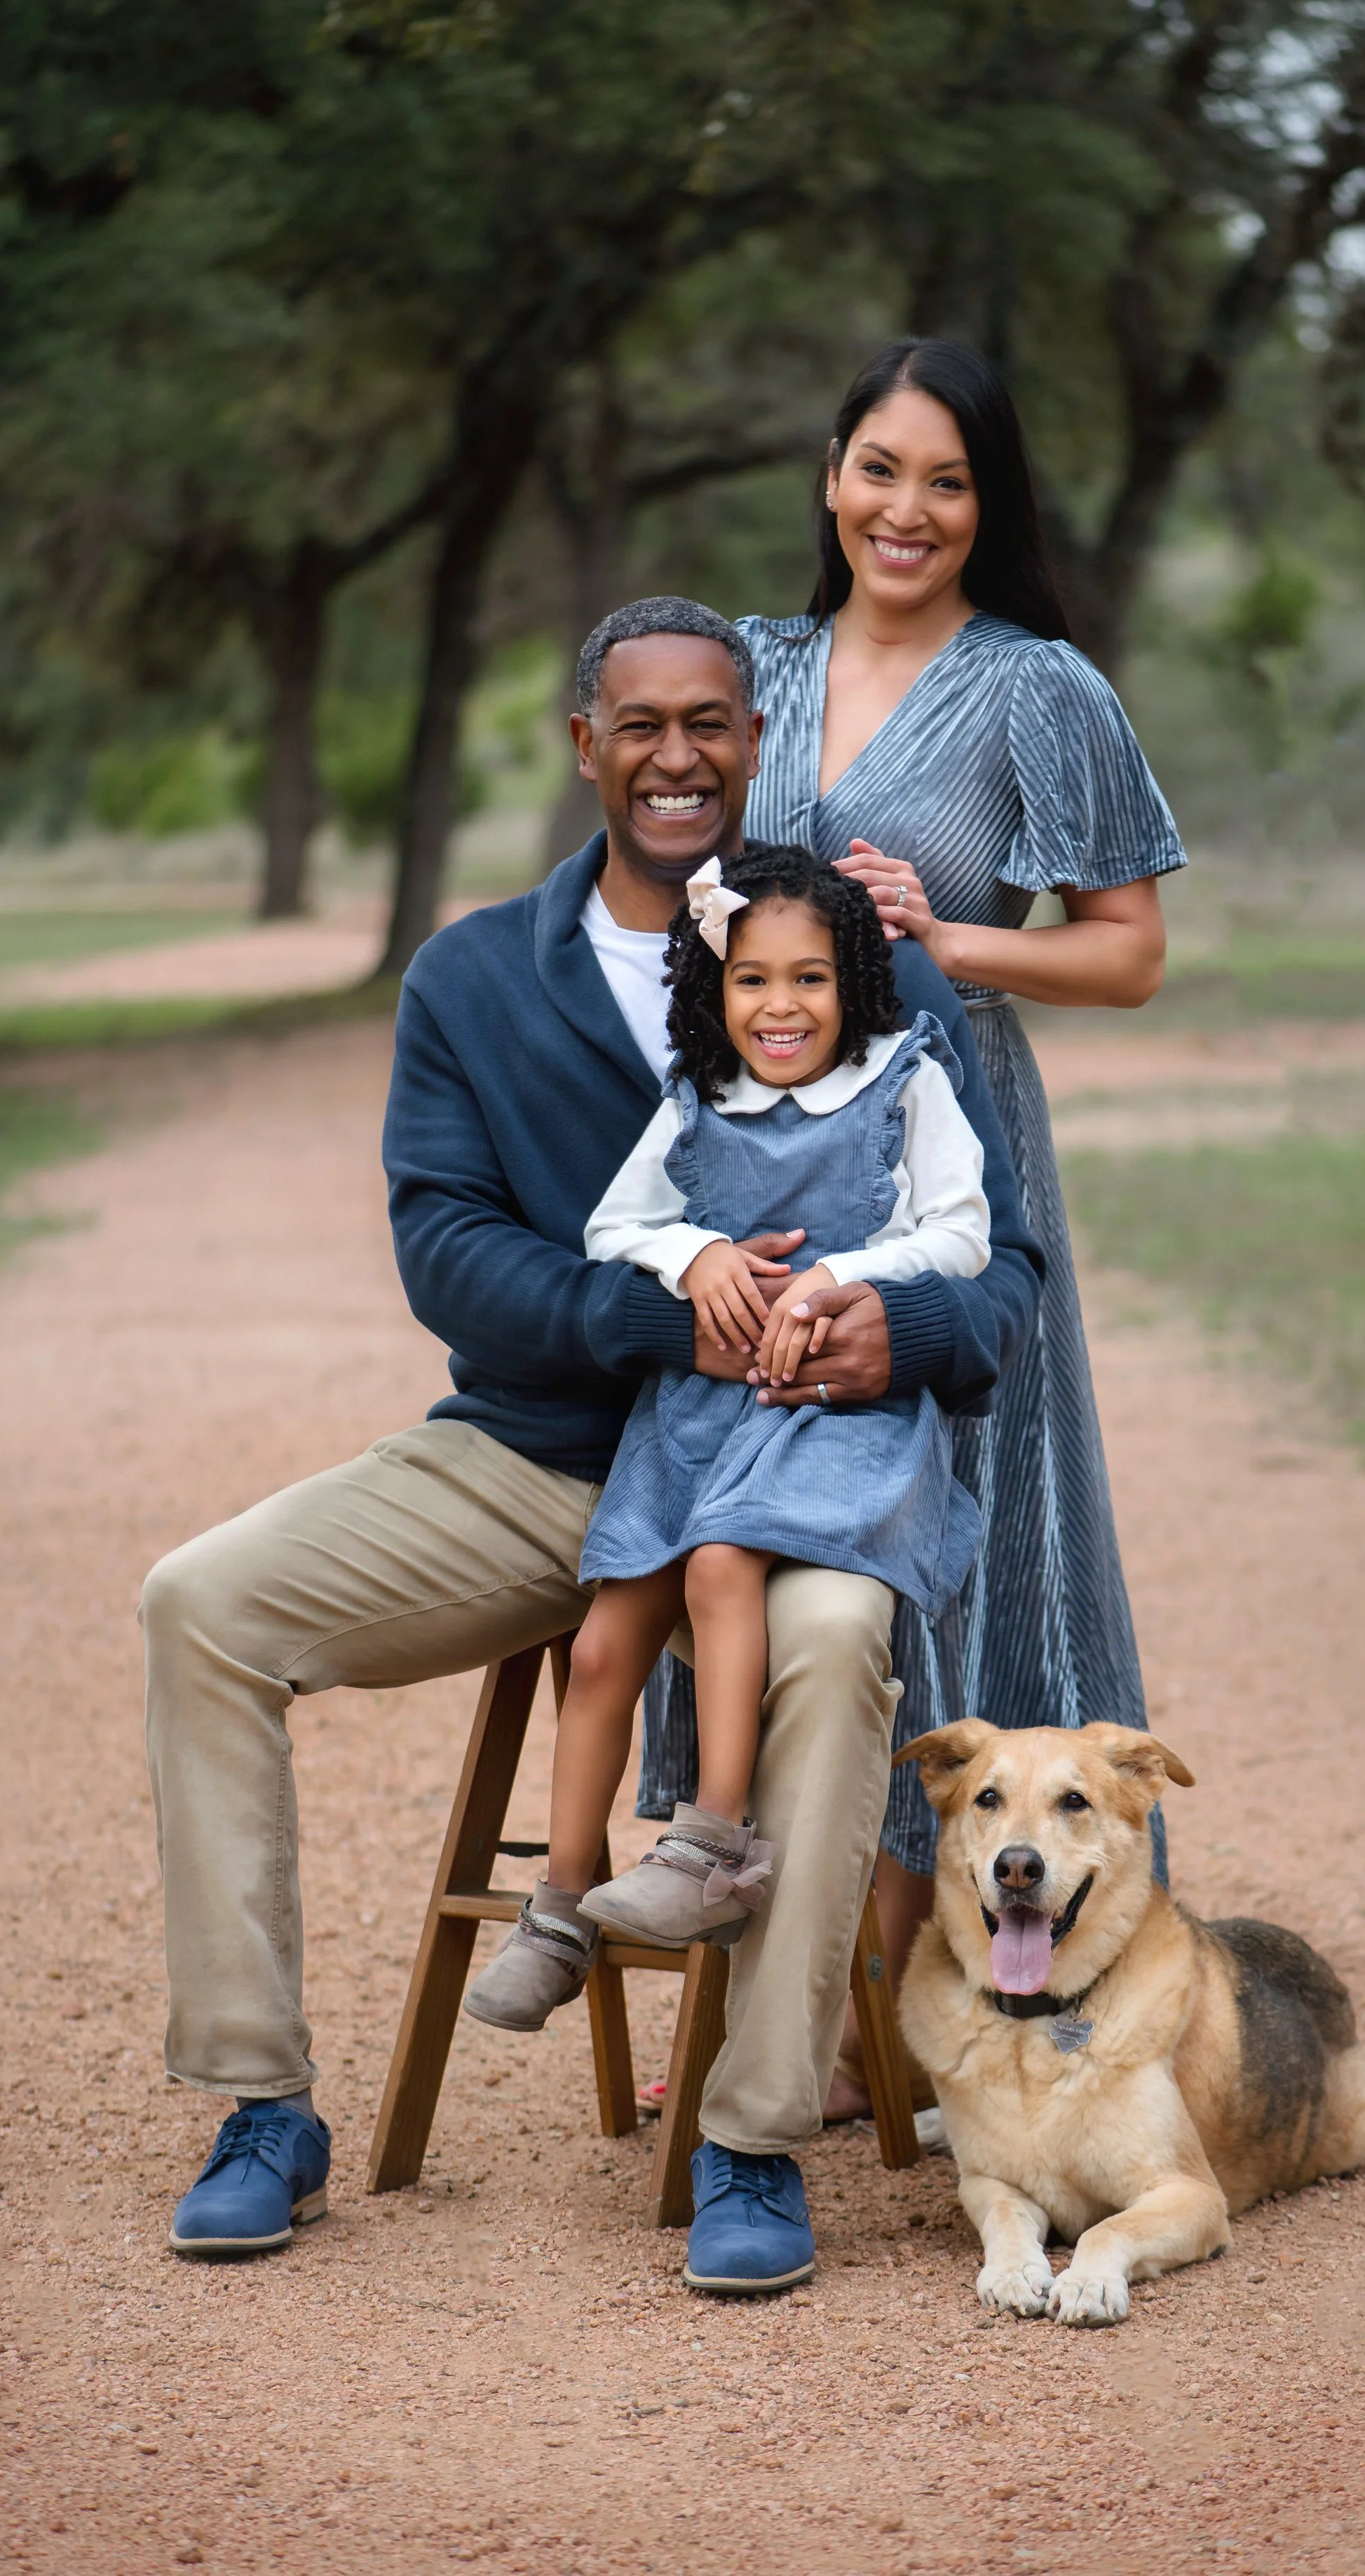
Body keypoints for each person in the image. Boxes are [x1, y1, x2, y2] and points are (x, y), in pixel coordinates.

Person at [141, 594, 1043, 2292]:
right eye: (640, 725)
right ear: (586, 747)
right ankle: (261, 2105)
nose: (677, 756)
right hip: (541, 1456)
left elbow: (1002, 1271)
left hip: (791, 1479)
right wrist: (660, 1303)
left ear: (754, 741)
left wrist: (888, 1332)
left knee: (840, 1638)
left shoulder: (859, 947)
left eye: (710, 722)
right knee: (198, 1603)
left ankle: (750, 2137)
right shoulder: (477, 976)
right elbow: (446, 1251)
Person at [637, 339, 1188, 2117]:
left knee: (947, 1526)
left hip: (949, 1151)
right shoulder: (752, 666)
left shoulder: (1038, 689)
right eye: (881, 468)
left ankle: (911, 2002)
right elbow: (651, 869)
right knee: (748, 1500)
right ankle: (752, 1995)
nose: (907, 509)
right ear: (828, 475)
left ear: (986, 509)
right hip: (758, 1162)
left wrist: (951, 943)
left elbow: (1127, 949)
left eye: (946, 482)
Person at [463, 844, 990, 2052]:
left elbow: (961, 1235)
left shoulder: (905, 1085)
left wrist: (839, 1276)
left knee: (719, 1570)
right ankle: (558, 1914)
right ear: (717, 989)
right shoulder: (698, 1102)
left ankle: (709, 1844)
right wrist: (693, 1257)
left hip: (828, 1413)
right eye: (753, 980)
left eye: (811, 978)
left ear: (856, 980)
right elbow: (616, 1224)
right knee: (603, 1644)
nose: (782, 1007)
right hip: (692, 1422)